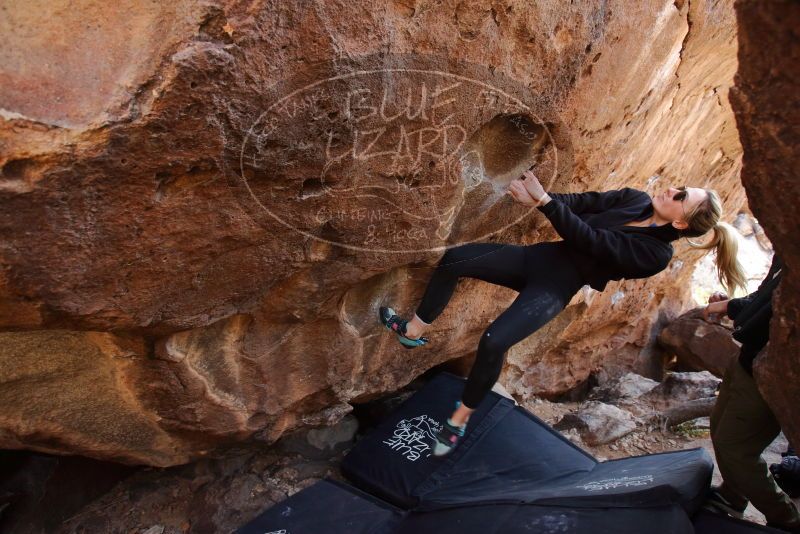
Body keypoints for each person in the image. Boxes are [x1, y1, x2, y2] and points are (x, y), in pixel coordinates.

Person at [379, 170, 745, 457]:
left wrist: (545, 204)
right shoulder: (634, 199)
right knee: (455, 259)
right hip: (535, 260)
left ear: (681, 223)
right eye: (680, 186)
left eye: (682, 197)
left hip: (553, 288)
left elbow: (594, 242)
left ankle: (459, 420)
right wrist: (534, 196)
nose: (672, 191)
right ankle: (412, 329)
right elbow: (584, 202)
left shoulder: (655, 256)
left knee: (493, 342)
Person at [702, 255, 800, 532]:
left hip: (773, 370)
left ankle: (786, 518)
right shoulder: (788, 247)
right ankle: (732, 496)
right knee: (720, 429)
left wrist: (731, 306)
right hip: (749, 357)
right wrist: (733, 306)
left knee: (737, 449)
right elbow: (769, 293)